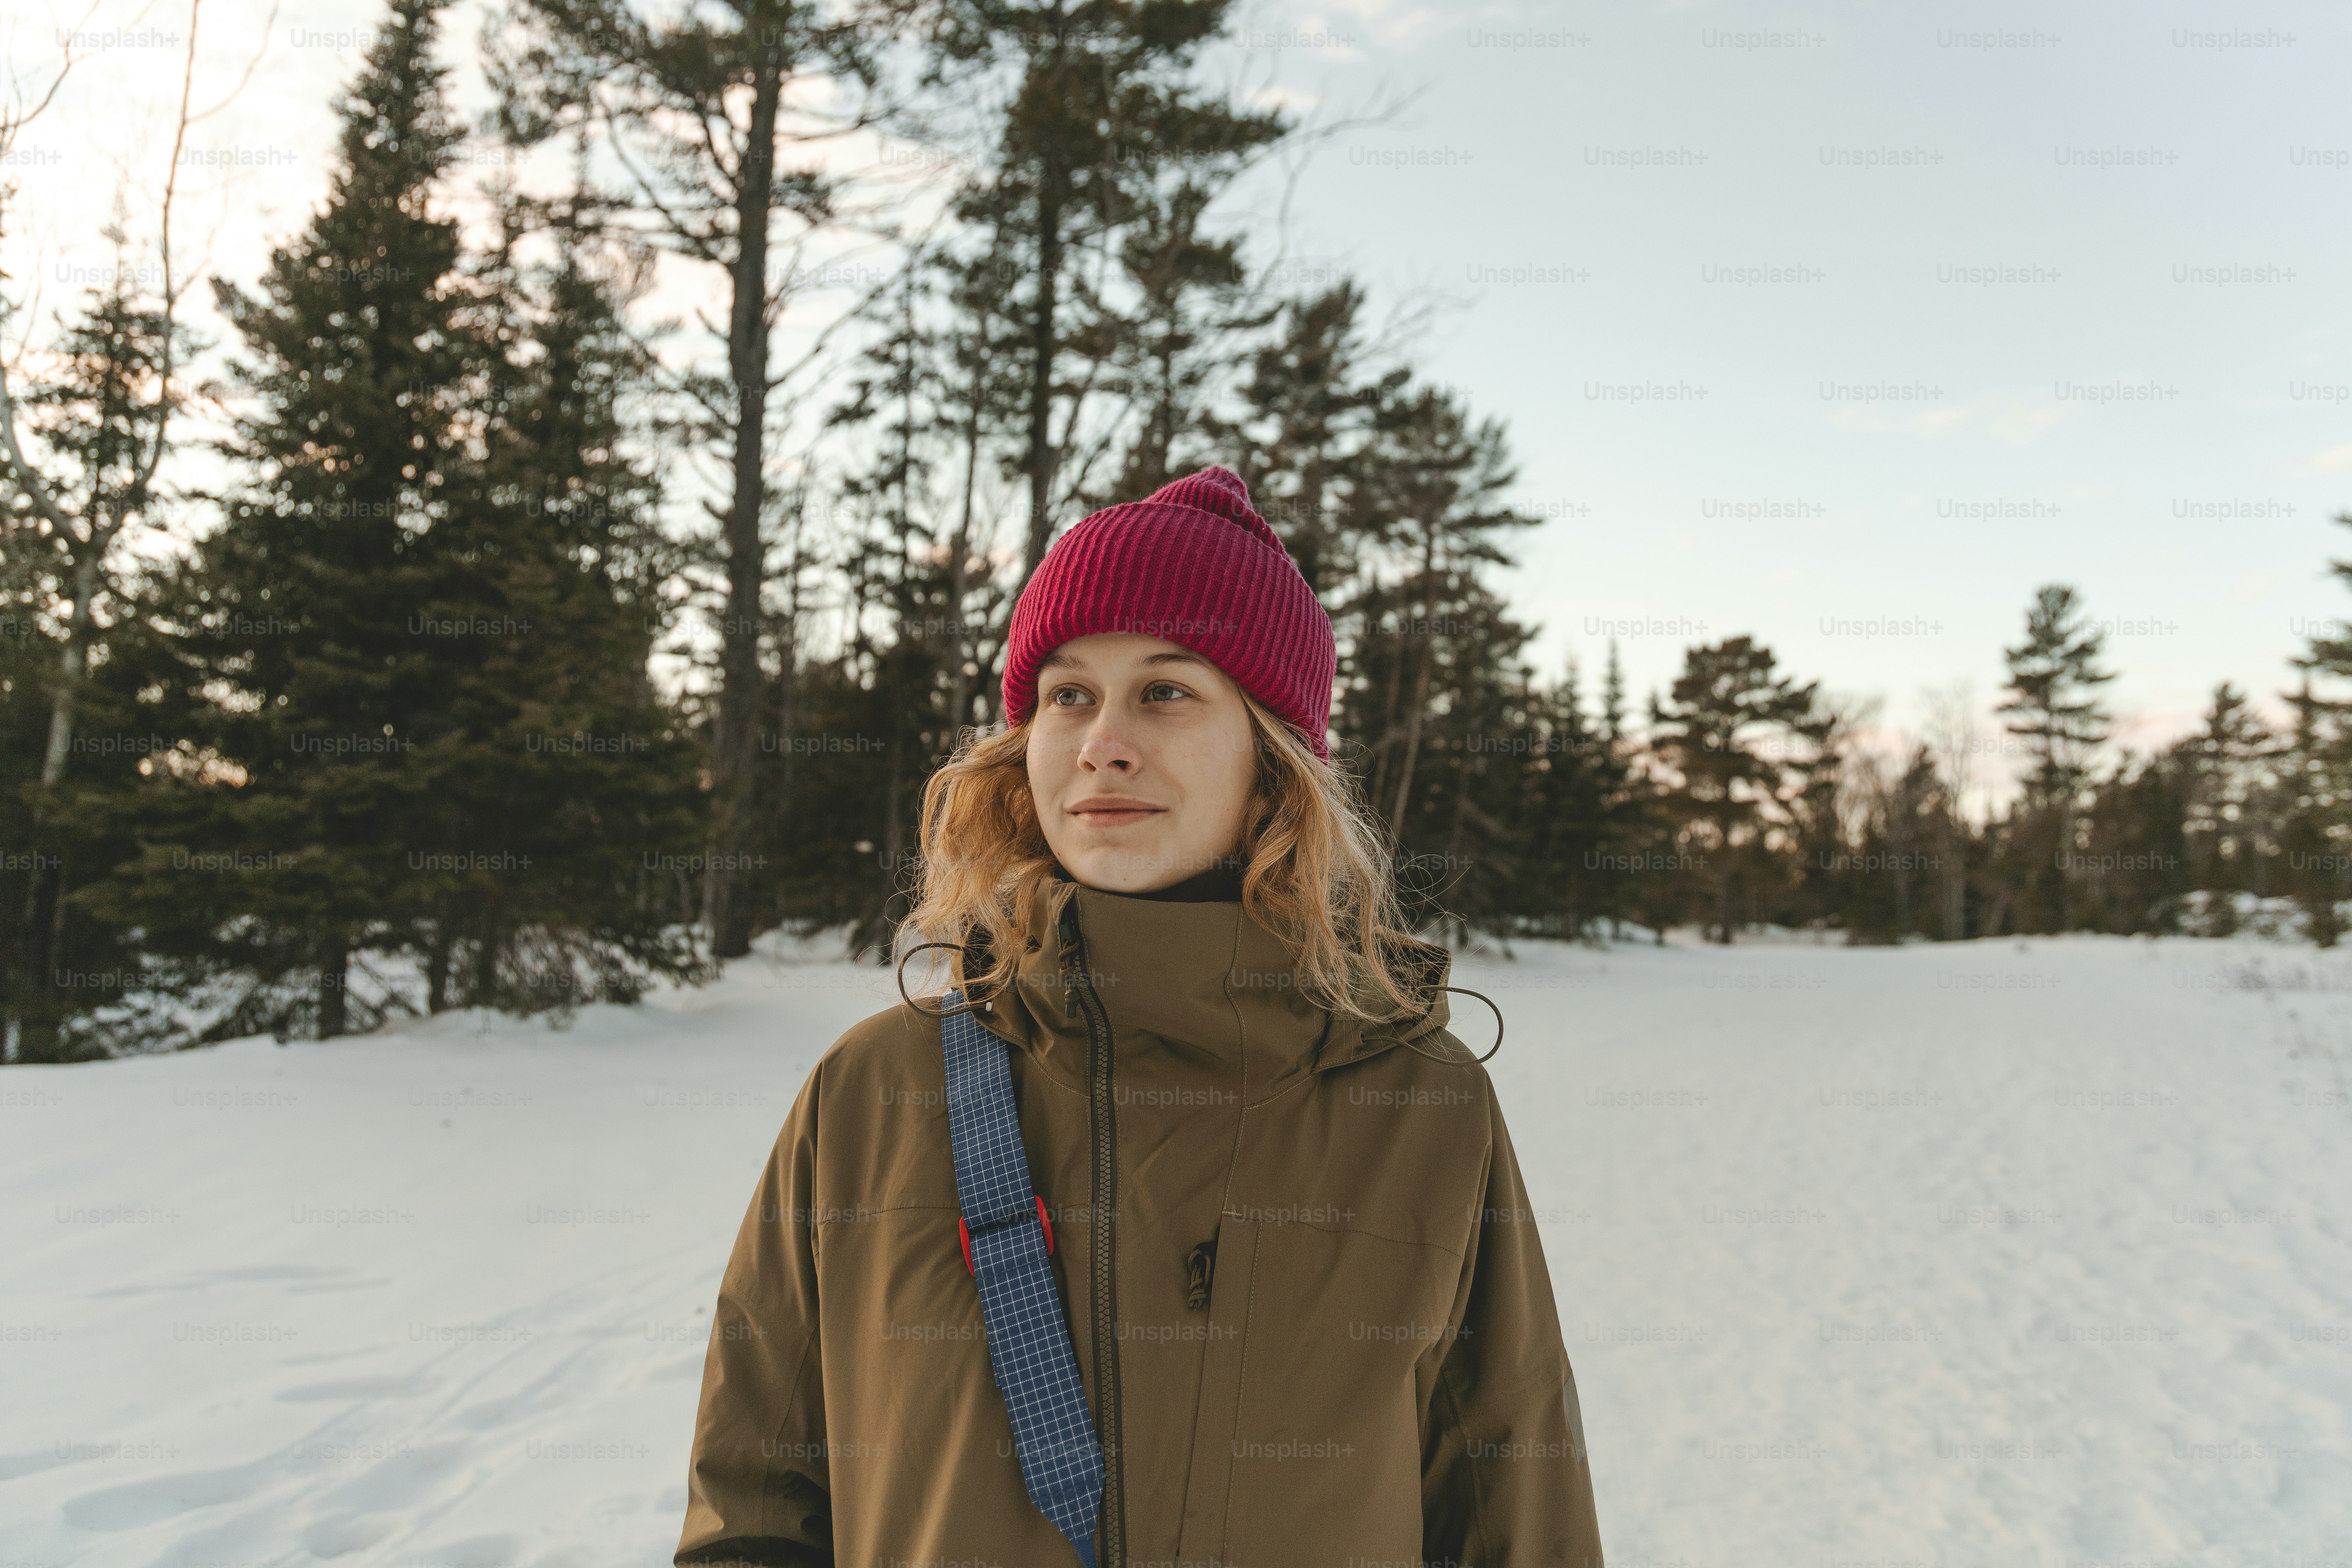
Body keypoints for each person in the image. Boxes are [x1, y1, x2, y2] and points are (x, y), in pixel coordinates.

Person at [675, 466, 1603, 1568]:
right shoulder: (873, 1093)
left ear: (1273, 762)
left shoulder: (1424, 1109)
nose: (1103, 741)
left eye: (1166, 692)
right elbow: (756, 1504)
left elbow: (1515, 1512)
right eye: (1069, 694)